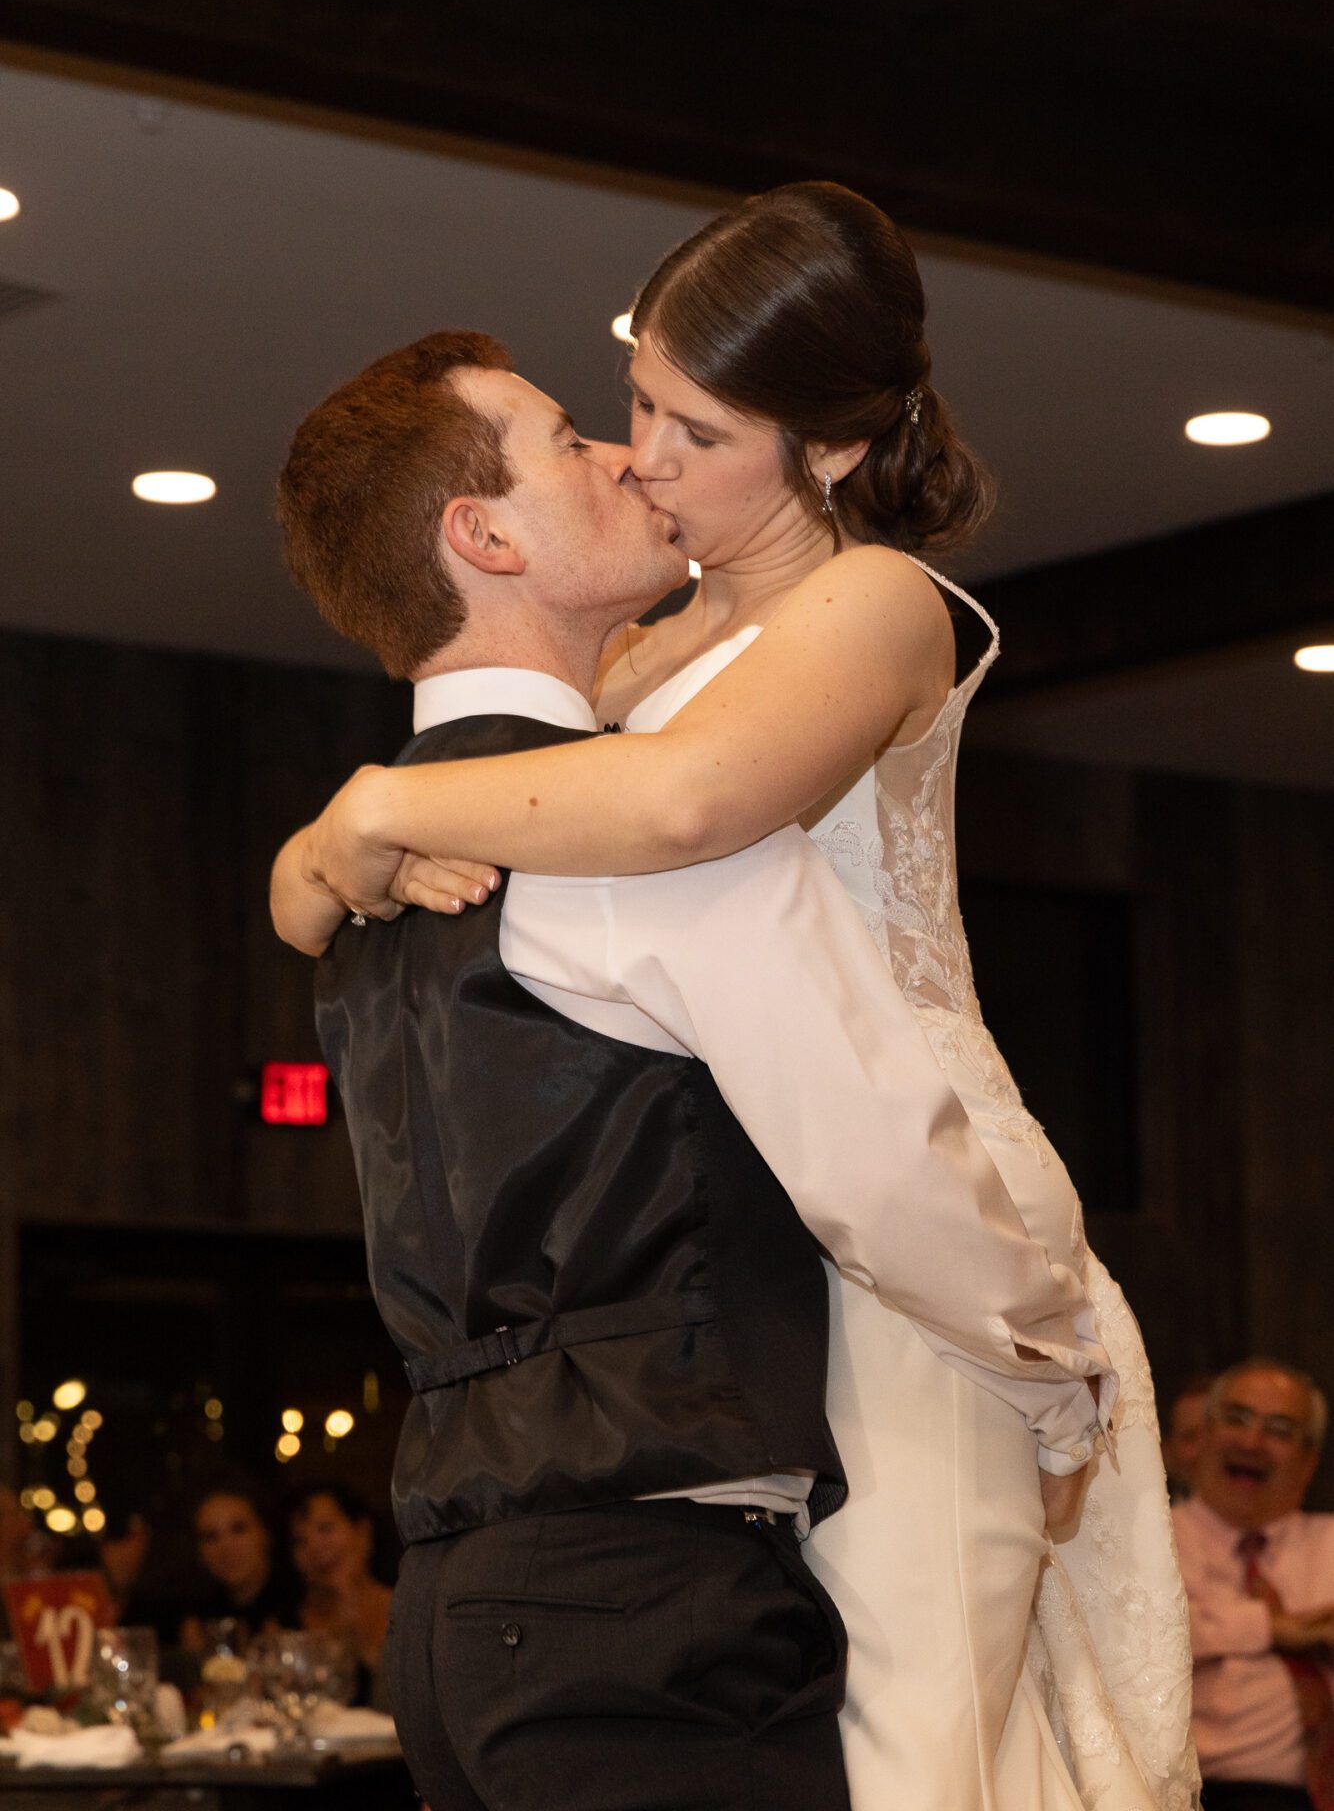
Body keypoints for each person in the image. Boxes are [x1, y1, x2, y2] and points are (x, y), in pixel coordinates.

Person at [272, 184, 1196, 1811]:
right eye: (631, 405)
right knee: (796, 1726)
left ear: (828, 452)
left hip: (909, 1217)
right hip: (739, 1236)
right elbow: (421, 849)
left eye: (693, 429)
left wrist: (380, 809)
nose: (641, 459)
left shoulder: (872, 602)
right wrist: (322, 852)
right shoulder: (633, 652)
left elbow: (689, 806)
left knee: (912, 1731)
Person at [1174, 1360, 1334, 1811]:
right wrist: (1271, 1628)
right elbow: (1132, 1643)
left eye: (1280, 1430)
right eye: (1236, 1419)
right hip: (1191, 1796)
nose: (1252, 1442)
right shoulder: (1151, 1543)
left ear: (1309, 1462)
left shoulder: (1329, 1543)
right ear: (1202, 1435)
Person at [288, 1483, 392, 1706]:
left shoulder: (410, 1608)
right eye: (301, 1541)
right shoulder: (292, 1632)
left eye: (325, 1529)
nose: (315, 1547)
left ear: (362, 1532)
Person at [179, 1479, 299, 1651]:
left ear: (265, 1533)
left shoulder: (303, 1607)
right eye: (210, 1537)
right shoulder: (198, 1619)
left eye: (239, 1529)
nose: (226, 1548)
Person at [1165, 1375, 1217, 1500]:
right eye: (1190, 1437)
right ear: (1166, 1451)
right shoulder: (1151, 1517)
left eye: (1212, 1433)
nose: (1203, 1448)